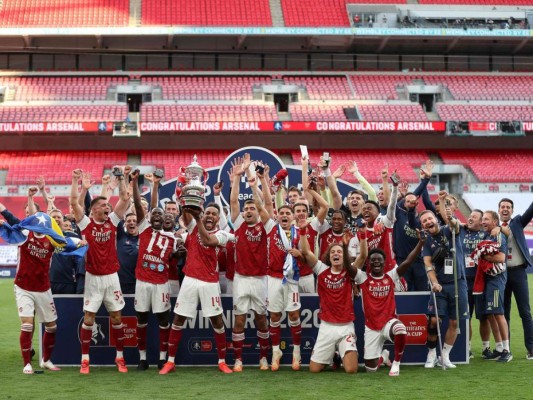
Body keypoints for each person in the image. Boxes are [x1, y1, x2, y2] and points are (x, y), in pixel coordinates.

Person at [159, 204, 234, 375]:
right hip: (190, 279)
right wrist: (185, 203)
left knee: (217, 321)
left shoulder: (221, 235)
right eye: (207, 212)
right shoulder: (193, 228)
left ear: (217, 219)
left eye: (214, 214)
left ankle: (222, 361)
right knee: (179, 319)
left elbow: (208, 241)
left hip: (210, 282)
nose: (209, 216)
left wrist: (197, 217)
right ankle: (170, 362)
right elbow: (186, 221)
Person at [70, 167, 131, 374]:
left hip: (112, 278)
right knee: (89, 319)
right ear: (94, 209)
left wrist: (121, 178)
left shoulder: (112, 222)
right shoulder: (86, 224)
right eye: (104, 205)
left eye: (108, 205)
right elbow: (73, 204)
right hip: (93, 278)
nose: (108, 207)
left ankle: (120, 358)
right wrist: (78, 183)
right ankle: (85, 359)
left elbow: (124, 198)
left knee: (117, 318)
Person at [297, 214, 367, 373]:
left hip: (346, 326)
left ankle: (339, 353)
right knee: (314, 370)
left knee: (351, 370)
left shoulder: (350, 271)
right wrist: (302, 231)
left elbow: (362, 256)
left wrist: (362, 234)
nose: (336, 254)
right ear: (329, 256)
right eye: (333, 252)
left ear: (345, 256)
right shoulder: (321, 270)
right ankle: (334, 354)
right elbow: (307, 252)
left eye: (340, 252)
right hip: (327, 327)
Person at [249, 168, 303, 372]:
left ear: (294, 218)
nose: (284, 215)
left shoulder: (300, 232)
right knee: (274, 317)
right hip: (273, 278)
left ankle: (297, 353)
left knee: (295, 316)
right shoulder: (271, 227)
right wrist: (256, 182)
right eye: (281, 213)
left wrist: (299, 254)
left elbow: (307, 256)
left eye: (288, 213)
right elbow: (260, 206)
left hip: (292, 279)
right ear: (277, 216)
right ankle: (276, 352)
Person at [354, 231, 426, 376]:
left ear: (384, 261)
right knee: (371, 369)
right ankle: (384, 356)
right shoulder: (362, 278)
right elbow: (349, 269)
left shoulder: (391, 276)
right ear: (368, 263)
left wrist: (421, 243)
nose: (376, 262)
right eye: (373, 260)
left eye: (379, 260)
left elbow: (408, 261)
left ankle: (396, 363)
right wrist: (344, 246)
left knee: (400, 328)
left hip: (388, 322)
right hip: (371, 326)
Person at [5, 188, 60, 374]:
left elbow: (64, 240)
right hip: (24, 287)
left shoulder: (52, 239)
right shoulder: (23, 235)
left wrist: (79, 244)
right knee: (27, 323)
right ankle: (27, 363)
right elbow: (10, 216)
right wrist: (29, 197)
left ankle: (46, 360)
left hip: (44, 287)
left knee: (52, 327)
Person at [229, 154, 272, 371]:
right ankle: (238, 359)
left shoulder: (265, 226)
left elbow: (268, 204)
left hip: (261, 279)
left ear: (258, 211)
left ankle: (263, 357)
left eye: (251, 208)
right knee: (239, 320)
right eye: (246, 209)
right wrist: (238, 177)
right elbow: (234, 200)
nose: (247, 210)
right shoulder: (238, 225)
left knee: (261, 320)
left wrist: (257, 182)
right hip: (241, 279)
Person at [131, 170, 177, 371]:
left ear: (167, 220)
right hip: (142, 282)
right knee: (141, 319)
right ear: (150, 217)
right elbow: (142, 206)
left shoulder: (173, 239)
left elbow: (177, 258)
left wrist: (179, 254)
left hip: (161, 284)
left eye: (161, 214)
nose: (157, 216)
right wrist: (135, 183)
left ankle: (161, 357)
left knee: (163, 319)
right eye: (155, 214)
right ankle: (142, 359)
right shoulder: (144, 229)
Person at [421, 209, 469, 369]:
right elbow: (428, 265)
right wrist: (434, 282)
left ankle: (445, 356)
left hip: (458, 283)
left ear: (435, 219)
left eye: (429, 219)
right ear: (423, 226)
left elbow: (455, 226)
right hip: (440, 285)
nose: (428, 222)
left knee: (455, 322)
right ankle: (431, 353)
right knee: (434, 321)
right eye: (424, 222)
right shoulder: (427, 242)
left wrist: (451, 219)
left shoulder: (448, 231)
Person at [498, 197, 533, 360]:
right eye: (502, 207)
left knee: (525, 312)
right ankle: (506, 348)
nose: (505, 209)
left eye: (508, 207)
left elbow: (530, 211)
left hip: (518, 273)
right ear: (498, 210)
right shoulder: (494, 227)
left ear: (512, 210)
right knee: (504, 313)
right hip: (501, 274)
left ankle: (531, 349)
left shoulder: (518, 222)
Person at [477, 210, 511, 362]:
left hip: (496, 279)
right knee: (491, 314)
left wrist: (483, 255)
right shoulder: (486, 235)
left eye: (486, 219)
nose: (483, 221)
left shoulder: (498, 235)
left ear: (495, 222)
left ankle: (507, 350)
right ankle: (498, 348)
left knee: (498, 313)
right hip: (487, 280)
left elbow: (502, 257)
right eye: (482, 219)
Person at [460, 209, 491, 358]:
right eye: (469, 216)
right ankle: (467, 348)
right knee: (466, 317)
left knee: (483, 316)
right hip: (464, 281)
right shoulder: (461, 231)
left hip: (480, 281)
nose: (470, 219)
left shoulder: (486, 234)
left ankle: (486, 348)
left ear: (481, 221)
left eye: (474, 217)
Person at [116, 212, 139, 295]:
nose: (132, 223)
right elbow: (117, 215)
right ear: (125, 224)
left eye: (134, 221)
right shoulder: (121, 236)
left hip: (137, 283)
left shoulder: (145, 238)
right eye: (129, 221)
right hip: (119, 283)